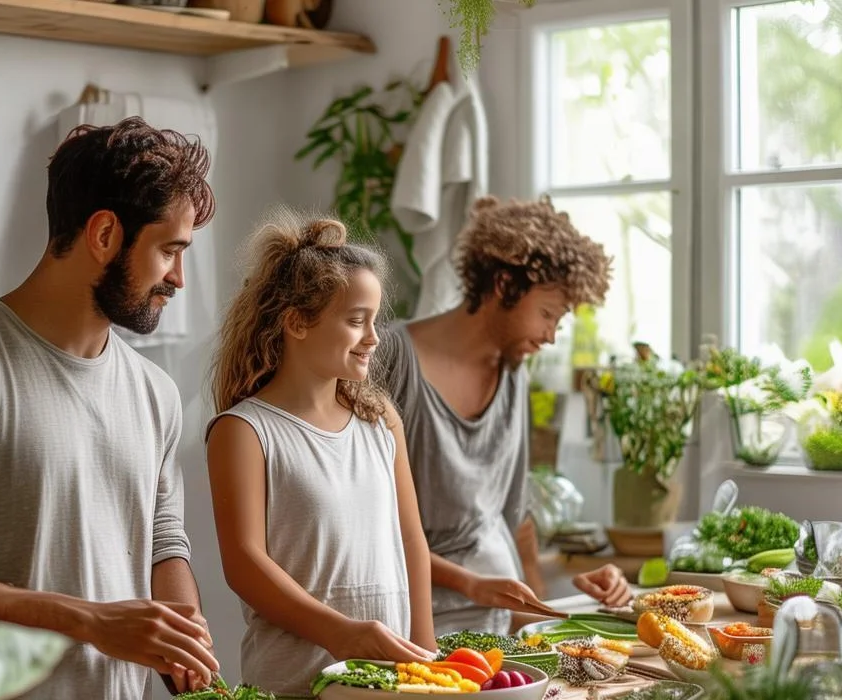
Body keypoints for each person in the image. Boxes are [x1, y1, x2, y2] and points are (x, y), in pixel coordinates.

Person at [0, 117, 220, 700]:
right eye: (170, 250)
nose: (179, 278)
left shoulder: (155, 393)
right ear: (105, 234)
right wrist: (90, 621)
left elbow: (165, 543)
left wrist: (179, 634)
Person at [375, 195, 632, 636]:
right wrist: (471, 585)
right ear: (503, 286)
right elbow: (366, 521)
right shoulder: (390, 359)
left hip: (495, 624)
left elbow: (515, 522)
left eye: (560, 321)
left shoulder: (513, 372)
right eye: (547, 313)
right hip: (408, 622)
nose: (551, 336)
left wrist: (549, 618)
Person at [206, 210, 436, 697]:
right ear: (296, 323)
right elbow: (245, 563)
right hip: (293, 683)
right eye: (356, 321)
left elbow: (412, 541)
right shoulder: (244, 431)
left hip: (395, 684)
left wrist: (428, 654)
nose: (374, 338)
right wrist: (341, 633)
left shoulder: (381, 422)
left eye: (375, 320)